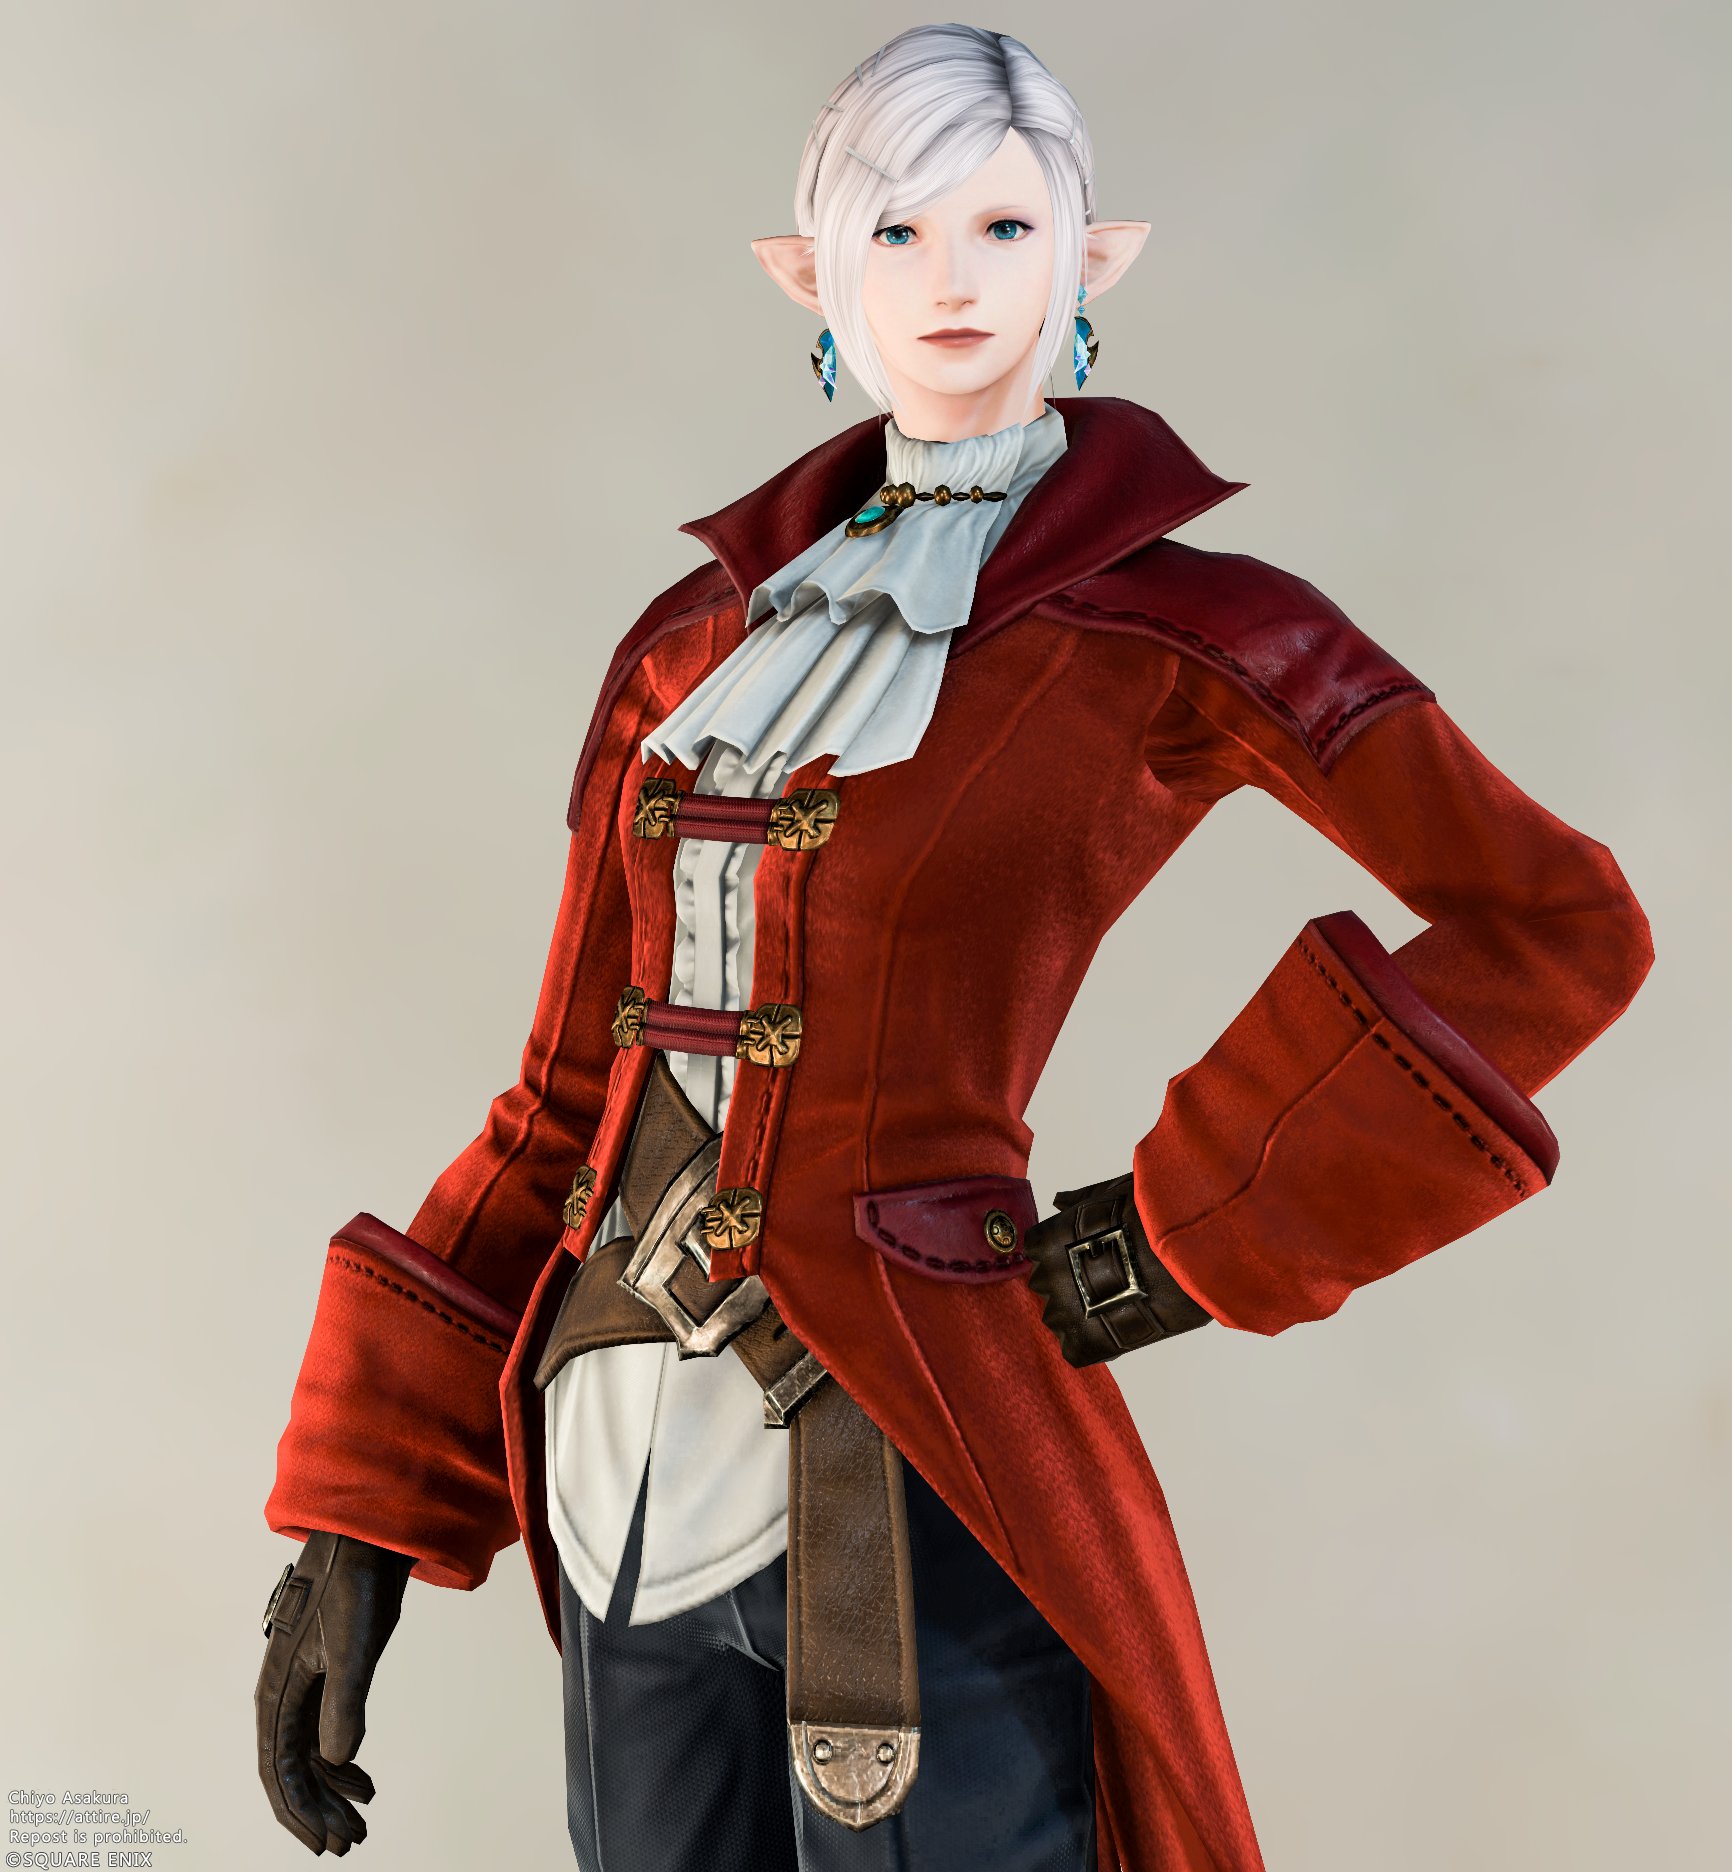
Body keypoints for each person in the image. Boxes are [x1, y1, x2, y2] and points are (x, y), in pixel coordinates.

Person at [254, 24, 1653, 1872]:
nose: (951, 281)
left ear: (1091, 257)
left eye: (1003, 227)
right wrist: (357, 1519)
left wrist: (1178, 1234)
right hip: (608, 1471)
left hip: (918, 1464)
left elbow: (1556, 923)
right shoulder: (689, 648)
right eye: (896, 233)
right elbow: (566, 1100)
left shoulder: (1178, 629)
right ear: (812, 274)